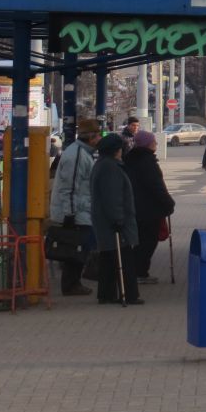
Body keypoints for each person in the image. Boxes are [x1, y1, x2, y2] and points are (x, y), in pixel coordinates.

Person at [48, 119, 103, 296]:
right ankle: (71, 284)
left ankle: (73, 282)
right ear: (91, 138)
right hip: (76, 210)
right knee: (78, 247)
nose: (100, 140)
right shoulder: (77, 155)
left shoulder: (81, 152)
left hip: (80, 208)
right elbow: (70, 187)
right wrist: (69, 214)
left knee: (79, 247)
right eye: (98, 136)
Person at [90, 133, 143, 305]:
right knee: (124, 258)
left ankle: (106, 294)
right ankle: (128, 294)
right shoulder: (110, 168)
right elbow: (112, 197)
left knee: (108, 258)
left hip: (105, 221)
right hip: (113, 223)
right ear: (116, 150)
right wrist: (118, 219)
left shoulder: (103, 165)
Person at [124, 129, 175, 284]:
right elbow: (156, 186)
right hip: (149, 209)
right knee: (148, 242)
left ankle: (136, 272)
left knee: (140, 241)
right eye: (154, 141)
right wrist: (168, 203)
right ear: (147, 144)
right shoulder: (147, 162)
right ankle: (139, 272)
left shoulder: (129, 159)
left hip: (135, 207)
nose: (156, 144)